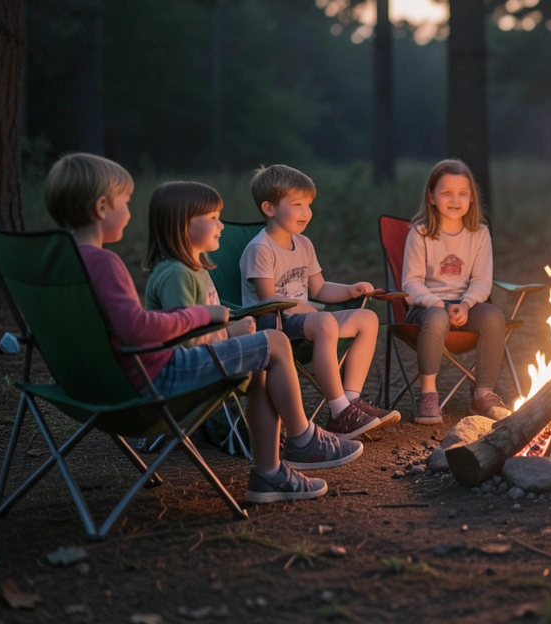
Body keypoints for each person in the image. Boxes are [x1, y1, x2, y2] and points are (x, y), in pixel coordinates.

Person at [45, 155, 359, 506]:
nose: (131, 213)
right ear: (102, 207)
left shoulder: (56, 264)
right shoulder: (105, 262)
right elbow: (137, 328)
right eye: (125, 203)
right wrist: (203, 315)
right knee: (273, 342)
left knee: (260, 366)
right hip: (155, 379)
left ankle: (270, 472)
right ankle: (301, 438)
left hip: (89, 385)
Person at [240, 164, 394, 438]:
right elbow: (266, 299)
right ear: (269, 208)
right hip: (275, 326)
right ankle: (338, 410)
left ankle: (350, 401)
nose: (306, 212)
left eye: (309, 204)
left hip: (309, 321)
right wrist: (303, 308)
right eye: (297, 204)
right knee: (323, 321)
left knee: (368, 319)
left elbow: (320, 288)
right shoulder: (259, 249)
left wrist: (350, 290)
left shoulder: (304, 244)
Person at [402, 159, 511, 424]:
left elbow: (483, 281)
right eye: (446, 192)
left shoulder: (479, 233)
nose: (455, 200)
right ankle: (428, 394)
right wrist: (436, 303)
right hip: (425, 309)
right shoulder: (421, 233)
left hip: (465, 307)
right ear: (431, 196)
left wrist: (466, 304)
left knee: (494, 317)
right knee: (438, 317)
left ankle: (482, 394)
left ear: (472, 198)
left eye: (462, 193)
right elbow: (411, 283)